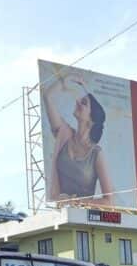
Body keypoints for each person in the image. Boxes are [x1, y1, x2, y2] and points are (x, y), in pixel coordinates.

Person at [44, 74, 115, 205]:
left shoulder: (95, 154)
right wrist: (67, 79)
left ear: (91, 121)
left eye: (83, 103)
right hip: (58, 213)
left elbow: (109, 201)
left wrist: (76, 202)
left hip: (85, 219)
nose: (77, 102)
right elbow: (48, 97)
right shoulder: (65, 134)